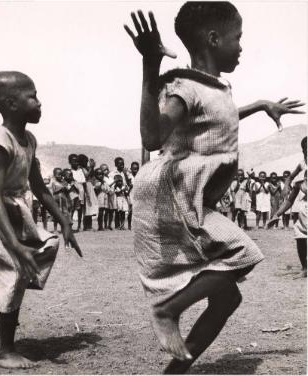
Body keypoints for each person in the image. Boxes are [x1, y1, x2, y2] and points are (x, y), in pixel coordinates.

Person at [124, 3, 304, 373]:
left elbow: (219, 116)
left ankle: (175, 372)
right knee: (245, 252)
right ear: (213, 38)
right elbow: (151, 135)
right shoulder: (184, 86)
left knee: (226, 300)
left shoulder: (214, 89)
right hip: (173, 196)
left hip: (190, 199)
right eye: (238, 38)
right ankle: (167, 308)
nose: (241, 47)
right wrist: (149, 67)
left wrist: (259, 105)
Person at [0, 71, 82, 369]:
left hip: (15, 211)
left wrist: (64, 221)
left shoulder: (29, 140)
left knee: (24, 266)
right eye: (32, 96)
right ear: (11, 104)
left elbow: (38, 187)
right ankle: (6, 351)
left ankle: (4, 330)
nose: (39, 103)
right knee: (14, 269)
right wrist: (13, 242)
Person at [268, 137, 307, 278]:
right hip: (304, 209)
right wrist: (276, 215)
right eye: (306, 148)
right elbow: (289, 200)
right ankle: (305, 268)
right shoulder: (300, 177)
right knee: (300, 237)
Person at [78, 154, 98, 230]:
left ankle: (89, 226)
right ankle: (85, 226)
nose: (86, 163)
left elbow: (92, 175)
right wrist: (91, 167)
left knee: (90, 207)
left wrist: (92, 168)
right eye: (85, 161)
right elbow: (86, 176)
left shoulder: (86, 168)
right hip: (85, 187)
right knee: (86, 207)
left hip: (89, 187)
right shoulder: (81, 169)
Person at [50, 167, 71, 233]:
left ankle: (63, 228)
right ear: (54, 175)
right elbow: (54, 191)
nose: (60, 176)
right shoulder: (53, 182)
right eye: (58, 174)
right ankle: (55, 229)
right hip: (56, 200)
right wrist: (61, 188)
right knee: (56, 214)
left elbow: (67, 190)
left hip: (63, 199)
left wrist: (67, 188)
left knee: (64, 213)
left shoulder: (64, 182)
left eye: (61, 174)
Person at [68, 154, 85, 232]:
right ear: (70, 162)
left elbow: (82, 181)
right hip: (72, 192)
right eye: (74, 161)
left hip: (80, 191)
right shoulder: (68, 171)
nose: (76, 163)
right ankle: (70, 225)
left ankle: (79, 226)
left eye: (77, 161)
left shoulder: (80, 171)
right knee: (71, 208)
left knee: (79, 209)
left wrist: (77, 184)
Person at [101, 163, 116, 230]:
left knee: (111, 211)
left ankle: (110, 224)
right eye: (104, 170)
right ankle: (105, 225)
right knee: (106, 211)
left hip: (112, 195)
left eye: (107, 169)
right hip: (106, 195)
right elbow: (107, 186)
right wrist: (114, 182)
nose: (106, 171)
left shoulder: (110, 178)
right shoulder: (103, 179)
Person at [127, 161, 140, 230]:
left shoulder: (139, 176)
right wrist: (130, 187)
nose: (136, 170)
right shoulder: (129, 177)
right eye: (134, 169)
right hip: (131, 194)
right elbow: (127, 187)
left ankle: (136, 225)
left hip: (137, 195)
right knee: (131, 211)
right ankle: (129, 225)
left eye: (137, 169)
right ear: (131, 169)